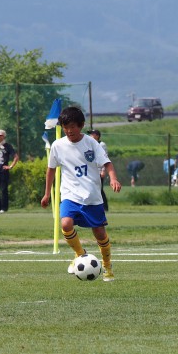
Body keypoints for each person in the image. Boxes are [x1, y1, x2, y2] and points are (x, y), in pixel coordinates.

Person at [41, 106, 122, 282]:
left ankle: (107, 265)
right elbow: (51, 170)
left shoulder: (91, 144)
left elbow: (107, 163)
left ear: (81, 125)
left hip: (92, 196)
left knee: (100, 233)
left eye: (72, 127)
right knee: (66, 224)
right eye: (65, 127)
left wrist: (113, 178)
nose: (69, 131)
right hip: (70, 195)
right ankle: (80, 254)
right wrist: (47, 194)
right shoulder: (57, 146)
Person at [87, 129, 109, 210]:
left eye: (92, 134)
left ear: (97, 136)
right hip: (92, 170)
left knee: (99, 189)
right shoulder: (90, 144)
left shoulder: (101, 144)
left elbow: (105, 157)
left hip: (99, 170)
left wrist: (103, 170)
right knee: (93, 189)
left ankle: (105, 206)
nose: (90, 136)